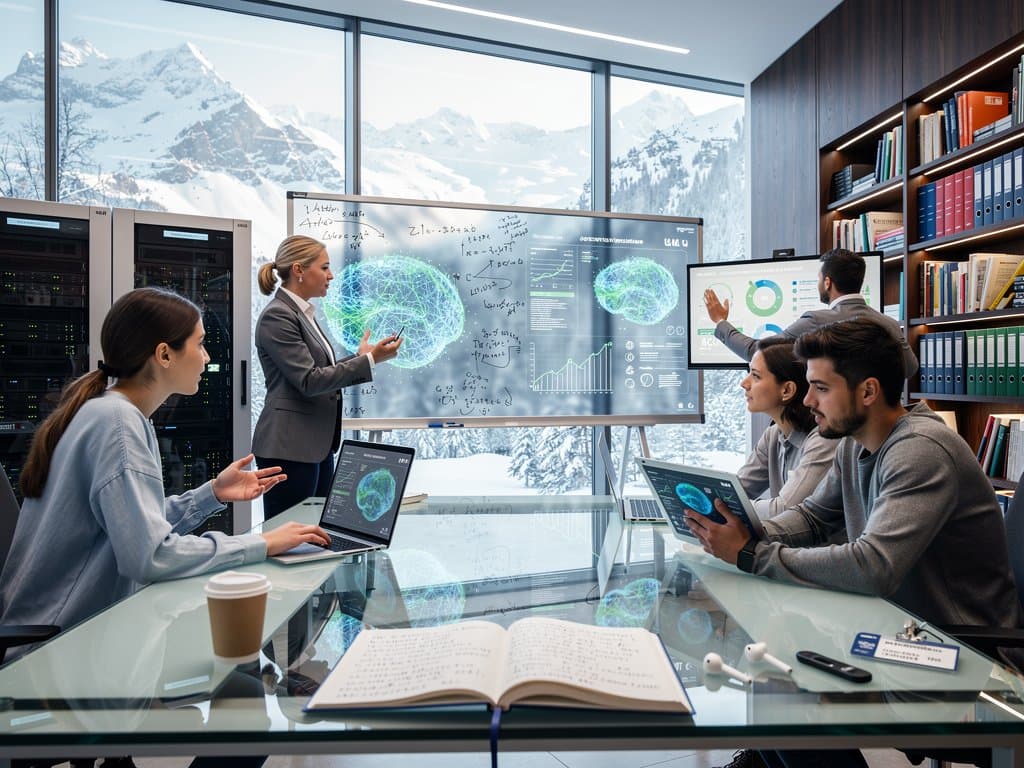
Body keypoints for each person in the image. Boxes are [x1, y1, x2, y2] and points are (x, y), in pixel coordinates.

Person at [686, 317, 1021, 768]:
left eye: (820, 388)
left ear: (867, 392)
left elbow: (871, 566)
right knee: (769, 674)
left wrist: (752, 553)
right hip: (898, 630)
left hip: (964, 657)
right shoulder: (852, 441)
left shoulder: (920, 451)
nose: (807, 401)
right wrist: (741, 530)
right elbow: (811, 518)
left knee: (788, 698)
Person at [0, 287, 330, 658]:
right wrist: (263, 543)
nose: (206, 358)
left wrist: (212, 494)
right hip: (59, 650)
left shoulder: (104, 410)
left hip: (75, 636)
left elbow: (130, 525)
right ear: (164, 354)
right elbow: (150, 555)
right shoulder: (119, 423)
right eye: (201, 344)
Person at [252, 235, 403, 519]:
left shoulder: (301, 313)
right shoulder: (279, 316)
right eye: (324, 268)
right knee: (291, 540)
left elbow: (317, 371)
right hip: (289, 448)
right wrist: (370, 361)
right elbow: (309, 380)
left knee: (313, 536)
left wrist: (362, 359)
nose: (331, 275)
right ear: (298, 270)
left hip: (313, 446)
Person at [704, 247, 918, 378]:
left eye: (818, 278)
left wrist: (721, 321)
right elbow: (909, 369)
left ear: (827, 282)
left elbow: (758, 351)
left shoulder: (817, 321)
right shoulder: (889, 323)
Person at [736, 337, 838, 520]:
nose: (744, 383)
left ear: (787, 391)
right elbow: (738, 490)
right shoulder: (773, 435)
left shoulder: (823, 440)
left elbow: (785, 510)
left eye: (756, 375)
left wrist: (730, 505)